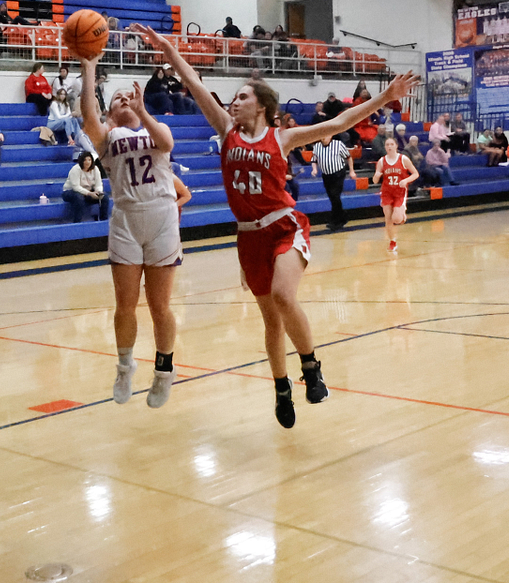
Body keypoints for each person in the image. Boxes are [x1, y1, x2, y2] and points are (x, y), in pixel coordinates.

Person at [133, 23, 418, 428]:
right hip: (249, 237)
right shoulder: (227, 132)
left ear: (261, 107)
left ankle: (311, 367)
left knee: (284, 297)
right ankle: (282, 388)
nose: (234, 102)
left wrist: (385, 97)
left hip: (284, 226)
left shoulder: (283, 138)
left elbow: (338, 124)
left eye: (242, 97)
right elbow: (194, 83)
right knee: (270, 321)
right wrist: (167, 48)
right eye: (234, 97)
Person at [80, 55, 183, 411]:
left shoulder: (154, 129)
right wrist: (89, 66)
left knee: (159, 306)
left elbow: (166, 143)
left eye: (128, 96)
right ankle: (125, 367)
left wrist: (144, 112)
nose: (123, 99)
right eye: (117, 99)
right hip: (126, 219)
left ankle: (164, 371)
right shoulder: (108, 137)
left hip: (161, 218)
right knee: (125, 305)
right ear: (110, 115)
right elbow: (88, 116)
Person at [373, 137, 419, 254]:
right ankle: (392, 242)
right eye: (387, 144)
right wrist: (377, 175)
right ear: (385, 147)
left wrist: (406, 180)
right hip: (387, 192)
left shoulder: (403, 159)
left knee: (397, 219)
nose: (389, 146)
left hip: (399, 192)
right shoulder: (382, 161)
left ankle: (402, 214)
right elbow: (374, 181)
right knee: (388, 218)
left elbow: (415, 174)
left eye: (391, 144)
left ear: (396, 146)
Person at [310, 135, 357, 232]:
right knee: (332, 197)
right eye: (322, 136)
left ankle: (335, 221)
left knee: (335, 195)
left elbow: (348, 157)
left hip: (338, 173)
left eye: (326, 136)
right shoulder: (317, 146)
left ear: (331, 136)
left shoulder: (338, 144)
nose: (323, 138)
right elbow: (314, 160)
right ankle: (342, 216)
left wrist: (352, 171)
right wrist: (314, 169)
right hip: (326, 175)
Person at [62, 151, 109, 222]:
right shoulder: (75, 169)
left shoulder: (95, 169)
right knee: (79, 198)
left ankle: (103, 220)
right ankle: (77, 221)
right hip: (71, 191)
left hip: (88, 192)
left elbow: (98, 184)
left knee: (104, 197)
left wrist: (98, 192)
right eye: (85, 160)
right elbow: (76, 187)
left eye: (89, 160)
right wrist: (89, 193)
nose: (87, 162)